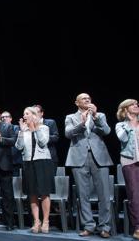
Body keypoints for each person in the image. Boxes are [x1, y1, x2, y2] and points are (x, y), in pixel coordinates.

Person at [65, 93, 113, 238]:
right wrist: (81, 123)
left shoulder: (100, 115)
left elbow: (107, 131)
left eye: (89, 98)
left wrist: (96, 116)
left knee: (104, 194)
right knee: (83, 194)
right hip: (79, 158)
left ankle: (105, 227)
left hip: (99, 157)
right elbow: (68, 133)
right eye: (84, 99)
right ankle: (89, 226)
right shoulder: (71, 117)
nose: (87, 100)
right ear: (76, 102)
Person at [15, 107, 54, 233]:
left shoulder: (43, 128)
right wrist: (21, 132)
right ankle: (36, 221)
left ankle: (46, 221)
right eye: (24, 113)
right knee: (32, 193)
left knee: (44, 192)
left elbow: (43, 142)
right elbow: (18, 147)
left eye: (27, 113)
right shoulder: (23, 131)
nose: (24, 116)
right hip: (28, 163)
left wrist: (35, 128)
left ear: (33, 115)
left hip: (42, 162)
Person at [115, 99, 139, 239]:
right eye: (133, 104)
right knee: (135, 195)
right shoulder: (121, 125)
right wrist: (131, 123)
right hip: (130, 162)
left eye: (137, 104)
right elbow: (123, 139)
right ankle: (137, 227)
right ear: (125, 109)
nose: (136, 105)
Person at [1, 111, 22, 176]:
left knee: (15, 181)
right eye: (2, 117)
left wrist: (1, 139)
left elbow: (14, 139)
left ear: (11, 118)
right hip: (3, 161)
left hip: (14, 160)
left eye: (6, 117)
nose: (4, 118)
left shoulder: (15, 127)